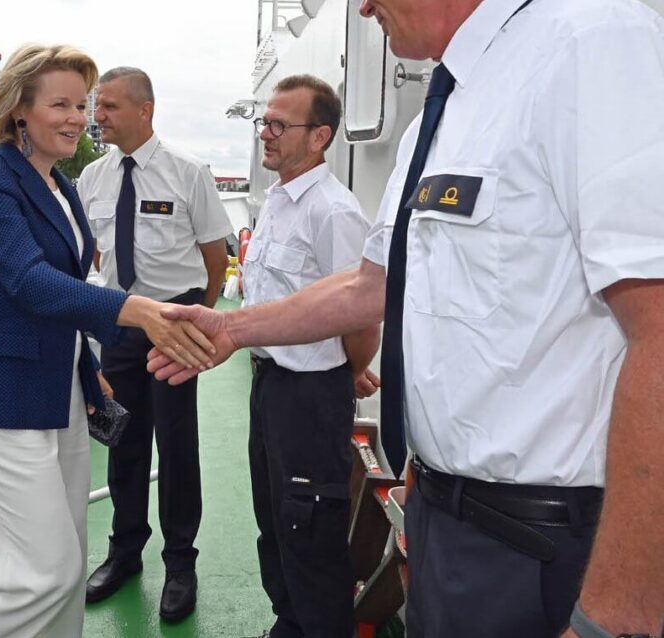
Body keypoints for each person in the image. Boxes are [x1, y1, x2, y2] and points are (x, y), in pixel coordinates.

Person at [149, 0, 664, 635]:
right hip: (443, 517)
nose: (363, 7)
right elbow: (374, 285)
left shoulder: (593, 42)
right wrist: (231, 328)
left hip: (544, 541)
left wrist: (616, 617)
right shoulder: (442, 111)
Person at [0, 45, 214, 638]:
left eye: (82, 104)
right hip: (4, 395)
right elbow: (27, 281)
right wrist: (136, 309)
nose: (77, 117)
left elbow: (74, 282)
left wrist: (88, 360)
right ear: (20, 110)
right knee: (38, 574)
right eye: (61, 104)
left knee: (67, 564)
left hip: (63, 392)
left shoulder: (61, 187)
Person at [77, 66, 231, 622]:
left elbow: (217, 257)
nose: (98, 117)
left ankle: (180, 562)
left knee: (177, 444)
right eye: (97, 107)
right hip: (121, 322)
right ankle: (125, 554)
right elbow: (94, 256)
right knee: (123, 440)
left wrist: (201, 320)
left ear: (145, 110)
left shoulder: (188, 172)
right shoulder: (92, 178)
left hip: (178, 320)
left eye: (109, 106)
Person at [243, 75, 378, 638]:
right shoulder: (278, 200)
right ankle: (289, 622)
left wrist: (343, 373)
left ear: (320, 136)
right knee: (273, 518)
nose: (265, 134)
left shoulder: (334, 212)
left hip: (310, 395)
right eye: (264, 122)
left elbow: (361, 314)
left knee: (310, 526)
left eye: (279, 125)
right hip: (270, 384)